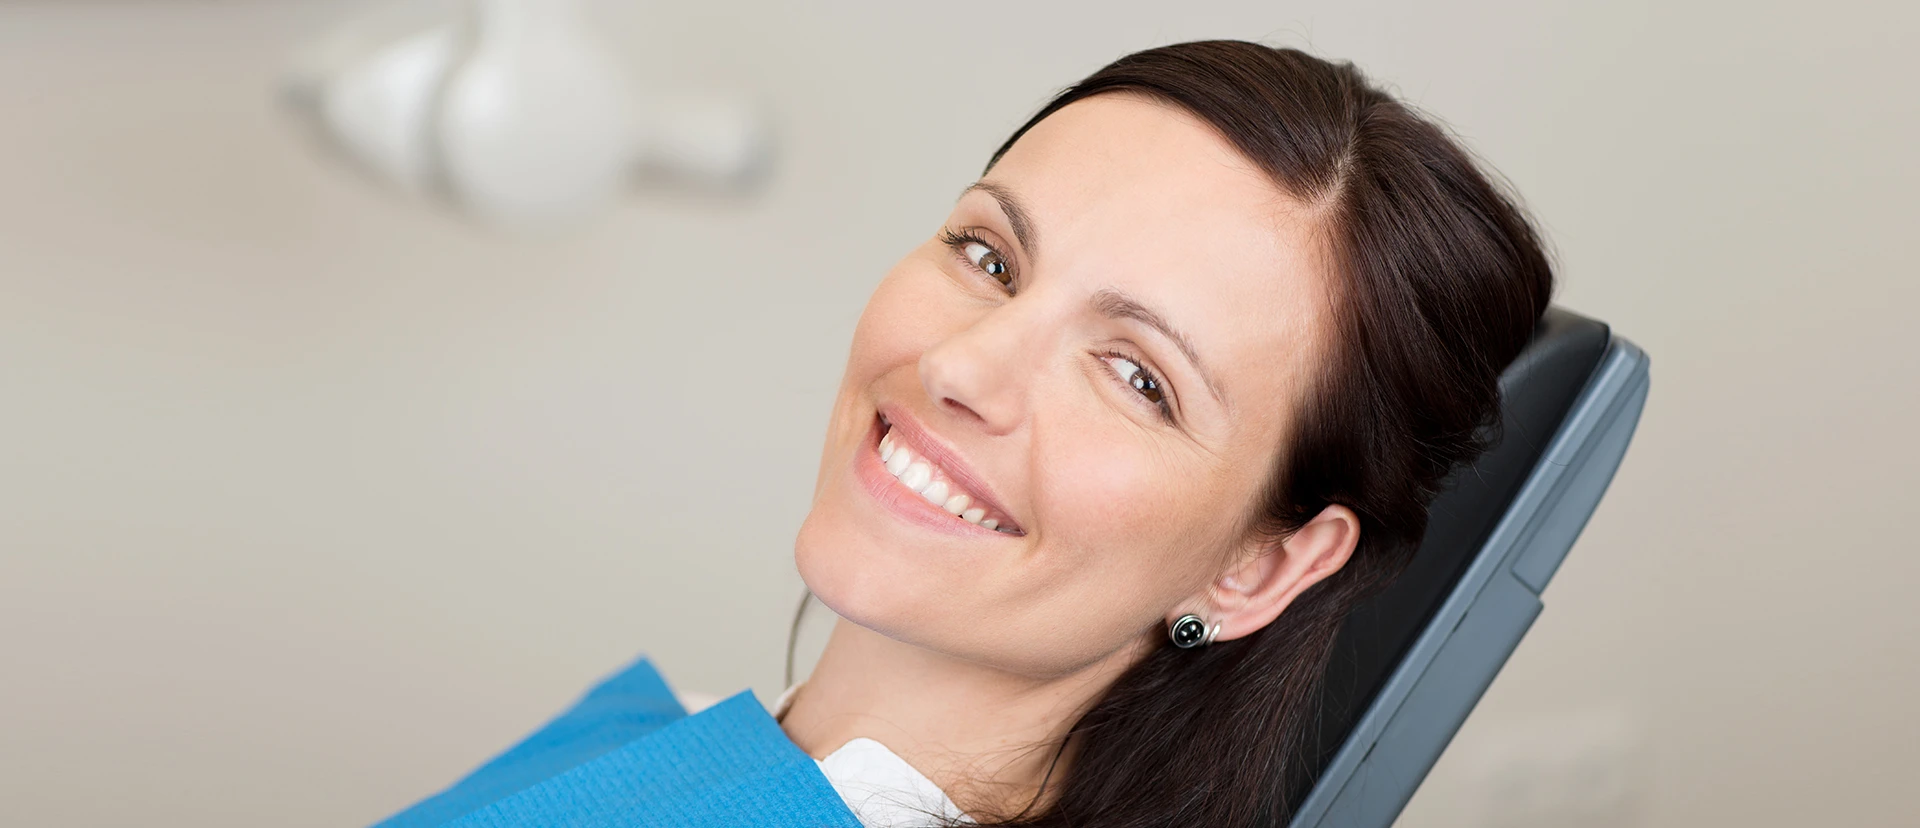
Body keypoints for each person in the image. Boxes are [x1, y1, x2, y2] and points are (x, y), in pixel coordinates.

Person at [374, 39, 1553, 828]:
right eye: (989, 255)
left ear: (1259, 565)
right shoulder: (675, 743)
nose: (959, 366)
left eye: (1138, 377)